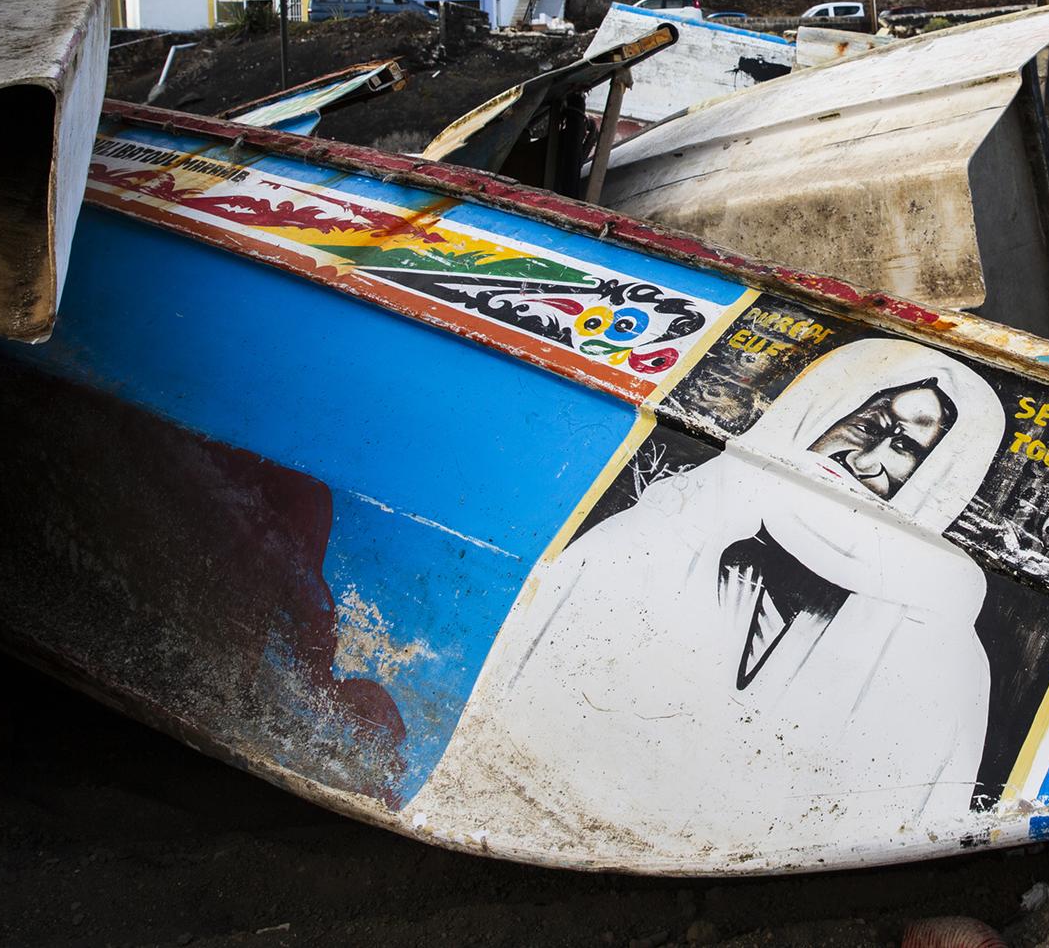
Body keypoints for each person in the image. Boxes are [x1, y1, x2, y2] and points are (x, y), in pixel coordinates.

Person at [413, 338, 1006, 865]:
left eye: (904, 446)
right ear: (815, 415)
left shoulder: (935, 657)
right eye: (866, 424)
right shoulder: (654, 535)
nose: (863, 461)